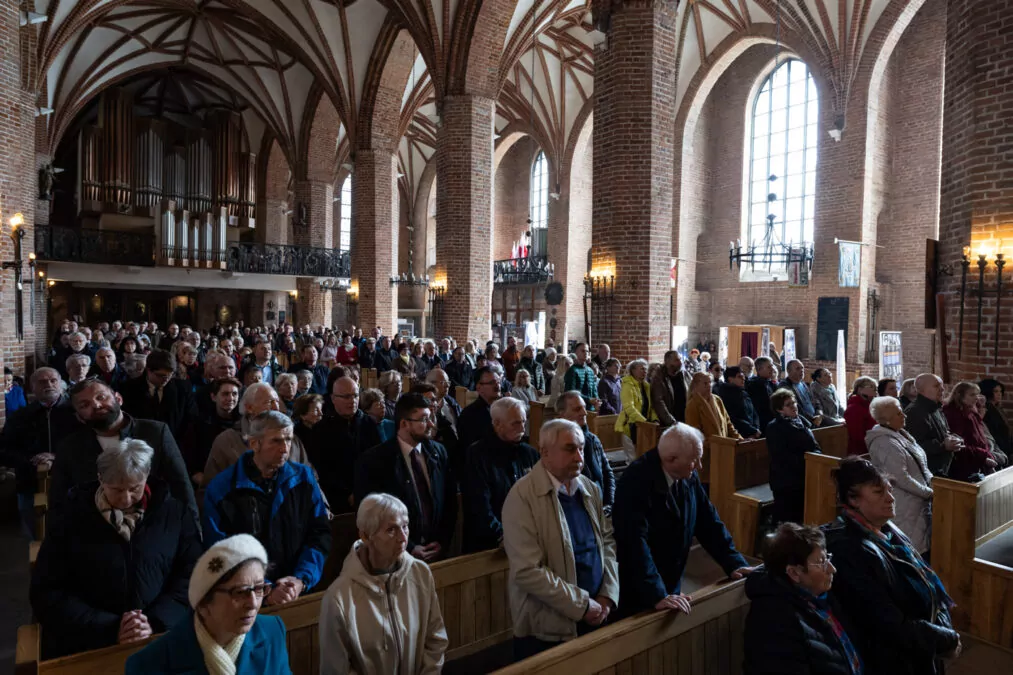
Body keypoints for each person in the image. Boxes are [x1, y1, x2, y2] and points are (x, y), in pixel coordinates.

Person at [31, 439, 201, 659]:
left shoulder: (174, 513)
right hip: (91, 644)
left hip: (162, 636)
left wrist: (154, 621)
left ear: (147, 474)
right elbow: (47, 591)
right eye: (116, 489)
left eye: (134, 488)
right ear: (101, 479)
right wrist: (111, 627)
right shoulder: (70, 518)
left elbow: (193, 574)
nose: (126, 498)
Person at [824, 457, 960, 675]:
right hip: (891, 661)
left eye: (889, 490)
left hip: (919, 648)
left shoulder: (889, 531)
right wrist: (944, 639)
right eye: (879, 493)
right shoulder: (847, 550)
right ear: (853, 499)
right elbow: (886, 622)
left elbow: (926, 583)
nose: (890, 498)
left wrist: (942, 628)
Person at [502, 419, 620, 659]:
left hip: (598, 611)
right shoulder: (522, 496)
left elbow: (607, 542)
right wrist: (582, 606)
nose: (579, 457)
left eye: (581, 448)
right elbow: (527, 570)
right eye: (570, 449)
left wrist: (608, 594)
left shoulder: (590, 488)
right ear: (545, 453)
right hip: (548, 628)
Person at [612, 423, 754, 616]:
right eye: (695, 460)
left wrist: (734, 562)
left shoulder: (687, 472)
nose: (699, 466)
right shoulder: (635, 481)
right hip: (641, 590)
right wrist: (656, 593)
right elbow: (634, 543)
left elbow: (708, 521)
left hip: (671, 581)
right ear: (671, 459)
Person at [204, 411, 331, 601]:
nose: (285, 448)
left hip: (297, 591)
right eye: (276, 441)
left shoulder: (303, 478)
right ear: (255, 443)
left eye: (288, 439)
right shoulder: (223, 489)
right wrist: (265, 589)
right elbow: (222, 549)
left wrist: (301, 579)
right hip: (246, 598)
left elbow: (319, 533)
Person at [124, 534, 292, 675]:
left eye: (259, 588)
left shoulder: (272, 631)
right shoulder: (148, 664)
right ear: (204, 603)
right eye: (240, 592)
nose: (253, 604)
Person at [319, 493, 448, 675]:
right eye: (391, 530)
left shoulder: (420, 573)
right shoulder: (339, 597)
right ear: (365, 536)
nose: (403, 538)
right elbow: (337, 668)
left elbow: (435, 638)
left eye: (405, 526)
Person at [52, 379, 197, 531]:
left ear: (118, 399)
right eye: (84, 405)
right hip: (95, 532)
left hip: (154, 525)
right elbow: (59, 500)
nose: (96, 405)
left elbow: (181, 485)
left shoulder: (155, 432)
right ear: (79, 417)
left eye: (101, 397)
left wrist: (193, 531)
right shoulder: (70, 447)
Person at [743, 523, 864, 675]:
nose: (832, 569)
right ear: (794, 573)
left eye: (827, 557)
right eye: (821, 562)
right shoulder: (774, 621)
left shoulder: (820, 596)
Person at [354, 394, 457, 562]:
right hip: (394, 556)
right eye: (424, 419)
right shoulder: (374, 461)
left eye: (431, 417)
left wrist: (442, 541)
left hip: (436, 551)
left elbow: (449, 502)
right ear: (404, 424)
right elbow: (371, 514)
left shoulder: (438, 452)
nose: (431, 424)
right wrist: (408, 546)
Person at [0, 368, 80, 537]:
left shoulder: (77, 413)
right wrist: (32, 460)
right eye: (42, 382)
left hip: (71, 485)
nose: (49, 385)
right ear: (32, 387)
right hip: (30, 484)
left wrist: (58, 457)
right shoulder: (20, 416)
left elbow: (88, 446)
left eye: (53, 380)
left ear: (61, 384)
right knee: (36, 536)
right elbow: (4, 450)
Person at [462, 397, 540, 553]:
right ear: (497, 424)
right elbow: (479, 503)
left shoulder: (529, 453)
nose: (522, 428)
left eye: (524, 422)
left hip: (527, 537)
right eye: (516, 423)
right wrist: (501, 534)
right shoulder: (478, 454)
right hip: (490, 542)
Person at [201, 383, 312, 488]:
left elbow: (311, 480)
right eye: (269, 402)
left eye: (277, 402)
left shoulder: (293, 438)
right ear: (249, 408)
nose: (276, 408)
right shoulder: (227, 440)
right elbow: (210, 488)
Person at [866, 396, 934, 555]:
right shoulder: (884, 442)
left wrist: (932, 482)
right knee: (910, 548)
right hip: (904, 503)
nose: (904, 416)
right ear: (887, 420)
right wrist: (928, 492)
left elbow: (921, 464)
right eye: (898, 414)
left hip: (919, 501)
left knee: (921, 546)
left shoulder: (900, 434)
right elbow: (900, 477)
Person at [308, 376, 382, 512]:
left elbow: (378, 460)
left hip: (369, 495)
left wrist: (363, 490)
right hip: (336, 498)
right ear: (333, 399)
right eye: (346, 397)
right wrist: (347, 493)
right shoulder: (321, 429)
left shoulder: (369, 423)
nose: (352, 401)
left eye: (355, 395)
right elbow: (322, 468)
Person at [120, 349, 198, 447]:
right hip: (140, 445)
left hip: (175, 444)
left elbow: (191, 417)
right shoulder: (129, 388)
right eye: (160, 375)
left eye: (170, 375)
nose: (166, 379)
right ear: (148, 370)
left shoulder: (183, 388)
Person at [766, 389, 822, 525]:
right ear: (779, 409)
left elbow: (814, 444)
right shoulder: (775, 427)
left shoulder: (801, 421)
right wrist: (807, 461)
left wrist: (817, 456)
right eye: (788, 404)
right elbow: (781, 455)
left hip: (804, 475)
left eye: (794, 403)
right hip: (786, 480)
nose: (794, 406)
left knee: (802, 516)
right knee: (789, 519)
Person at [557, 391, 615, 514]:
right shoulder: (556, 445)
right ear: (562, 415)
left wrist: (609, 502)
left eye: (584, 408)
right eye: (577, 409)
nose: (584, 412)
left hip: (600, 507)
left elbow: (607, 472)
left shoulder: (593, 440)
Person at [905, 374, 964, 476]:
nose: (942, 389)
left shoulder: (936, 407)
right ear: (921, 389)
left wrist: (953, 438)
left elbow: (943, 432)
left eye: (941, 386)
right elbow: (914, 446)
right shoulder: (915, 411)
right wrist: (943, 446)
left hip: (941, 468)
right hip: (928, 471)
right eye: (936, 386)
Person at [942, 381, 998, 480]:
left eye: (977, 394)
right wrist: (983, 457)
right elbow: (960, 444)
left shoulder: (970, 410)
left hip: (977, 460)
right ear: (960, 395)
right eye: (972, 395)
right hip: (964, 465)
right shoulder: (952, 414)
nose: (976, 398)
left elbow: (979, 436)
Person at [191, 377, 242, 485]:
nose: (230, 398)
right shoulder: (200, 423)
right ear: (213, 397)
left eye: (234, 394)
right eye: (225, 394)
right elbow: (189, 456)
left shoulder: (244, 424)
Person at [685, 372, 742, 458]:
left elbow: (728, 423)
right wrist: (712, 446)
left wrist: (740, 440)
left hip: (723, 448)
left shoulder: (717, 400)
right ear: (696, 385)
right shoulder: (693, 405)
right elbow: (695, 434)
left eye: (710, 382)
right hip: (706, 452)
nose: (709, 386)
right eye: (705, 383)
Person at [456, 366, 500, 453]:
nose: (497, 385)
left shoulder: (501, 409)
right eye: (492, 382)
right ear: (479, 387)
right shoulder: (469, 415)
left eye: (499, 382)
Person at [616, 358, 657, 445]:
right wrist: (644, 421)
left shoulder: (646, 386)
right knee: (633, 457)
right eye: (642, 369)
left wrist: (654, 419)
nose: (645, 371)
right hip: (631, 425)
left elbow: (651, 406)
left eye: (646, 369)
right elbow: (629, 408)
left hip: (645, 426)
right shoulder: (627, 385)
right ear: (633, 370)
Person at [717, 366, 761, 439]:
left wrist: (756, 429)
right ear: (730, 379)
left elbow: (754, 412)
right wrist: (751, 430)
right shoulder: (725, 395)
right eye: (739, 376)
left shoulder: (743, 393)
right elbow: (733, 418)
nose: (743, 378)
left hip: (753, 433)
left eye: (743, 376)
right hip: (739, 435)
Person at [651, 350, 691, 428]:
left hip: (685, 419)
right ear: (667, 362)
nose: (680, 362)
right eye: (676, 360)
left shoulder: (684, 374)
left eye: (680, 359)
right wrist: (671, 422)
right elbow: (659, 402)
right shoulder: (659, 378)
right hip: (670, 423)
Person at [780, 360, 824, 428]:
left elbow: (815, 401)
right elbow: (796, 408)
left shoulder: (804, 384)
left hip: (816, 419)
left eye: (802, 368)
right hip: (801, 423)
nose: (801, 370)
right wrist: (813, 419)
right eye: (798, 368)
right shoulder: (785, 386)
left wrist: (819, 413)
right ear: (789, 371)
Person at [979, 378, 1013, 462]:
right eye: (996, 391)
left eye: (1000, 391)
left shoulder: (997, 408)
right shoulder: (987, 409)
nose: (999, 394)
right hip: (997, 445)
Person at [844, 377, 877, 456]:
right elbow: (857, 436)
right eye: (870, 388)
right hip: (861, 452)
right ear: (859, 390)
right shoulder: (854, 408)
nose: (874, 392)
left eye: (875, 389)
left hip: (873, 446)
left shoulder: (870, 406)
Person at [747, 356, 778, 431]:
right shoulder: (753, 385)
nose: (772, 369)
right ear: (759, 369)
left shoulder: (771, 383)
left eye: (772, 366)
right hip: (762, 424)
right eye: (769, 367)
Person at [563, 343, 598, 408]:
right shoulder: (572, 370)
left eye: (587, 351)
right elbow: (571, 392)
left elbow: (594, 390)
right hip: (576, 407)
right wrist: (588, 399)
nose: (586, 353)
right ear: (576, 353)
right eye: (583, 351)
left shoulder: (590, 370)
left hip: (590, 408)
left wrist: (597, 400)